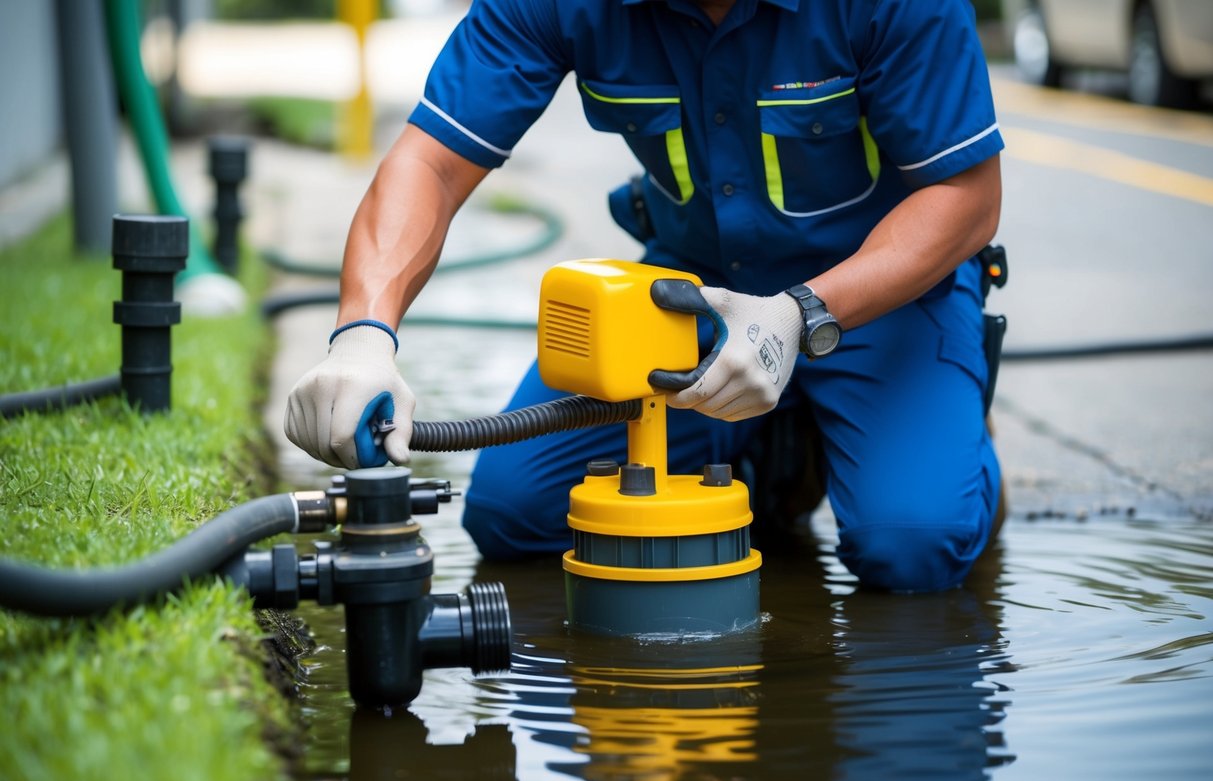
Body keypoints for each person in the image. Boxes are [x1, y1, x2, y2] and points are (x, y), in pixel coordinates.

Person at [285, 0, 1005, 593]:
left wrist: (798, 313)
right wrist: (363, 335)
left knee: (911, 547)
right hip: (693, 297)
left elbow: (966, 197)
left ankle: (960, 446)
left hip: (880, 294)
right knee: (514, 514)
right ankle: (774, 450)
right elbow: (431, 164)